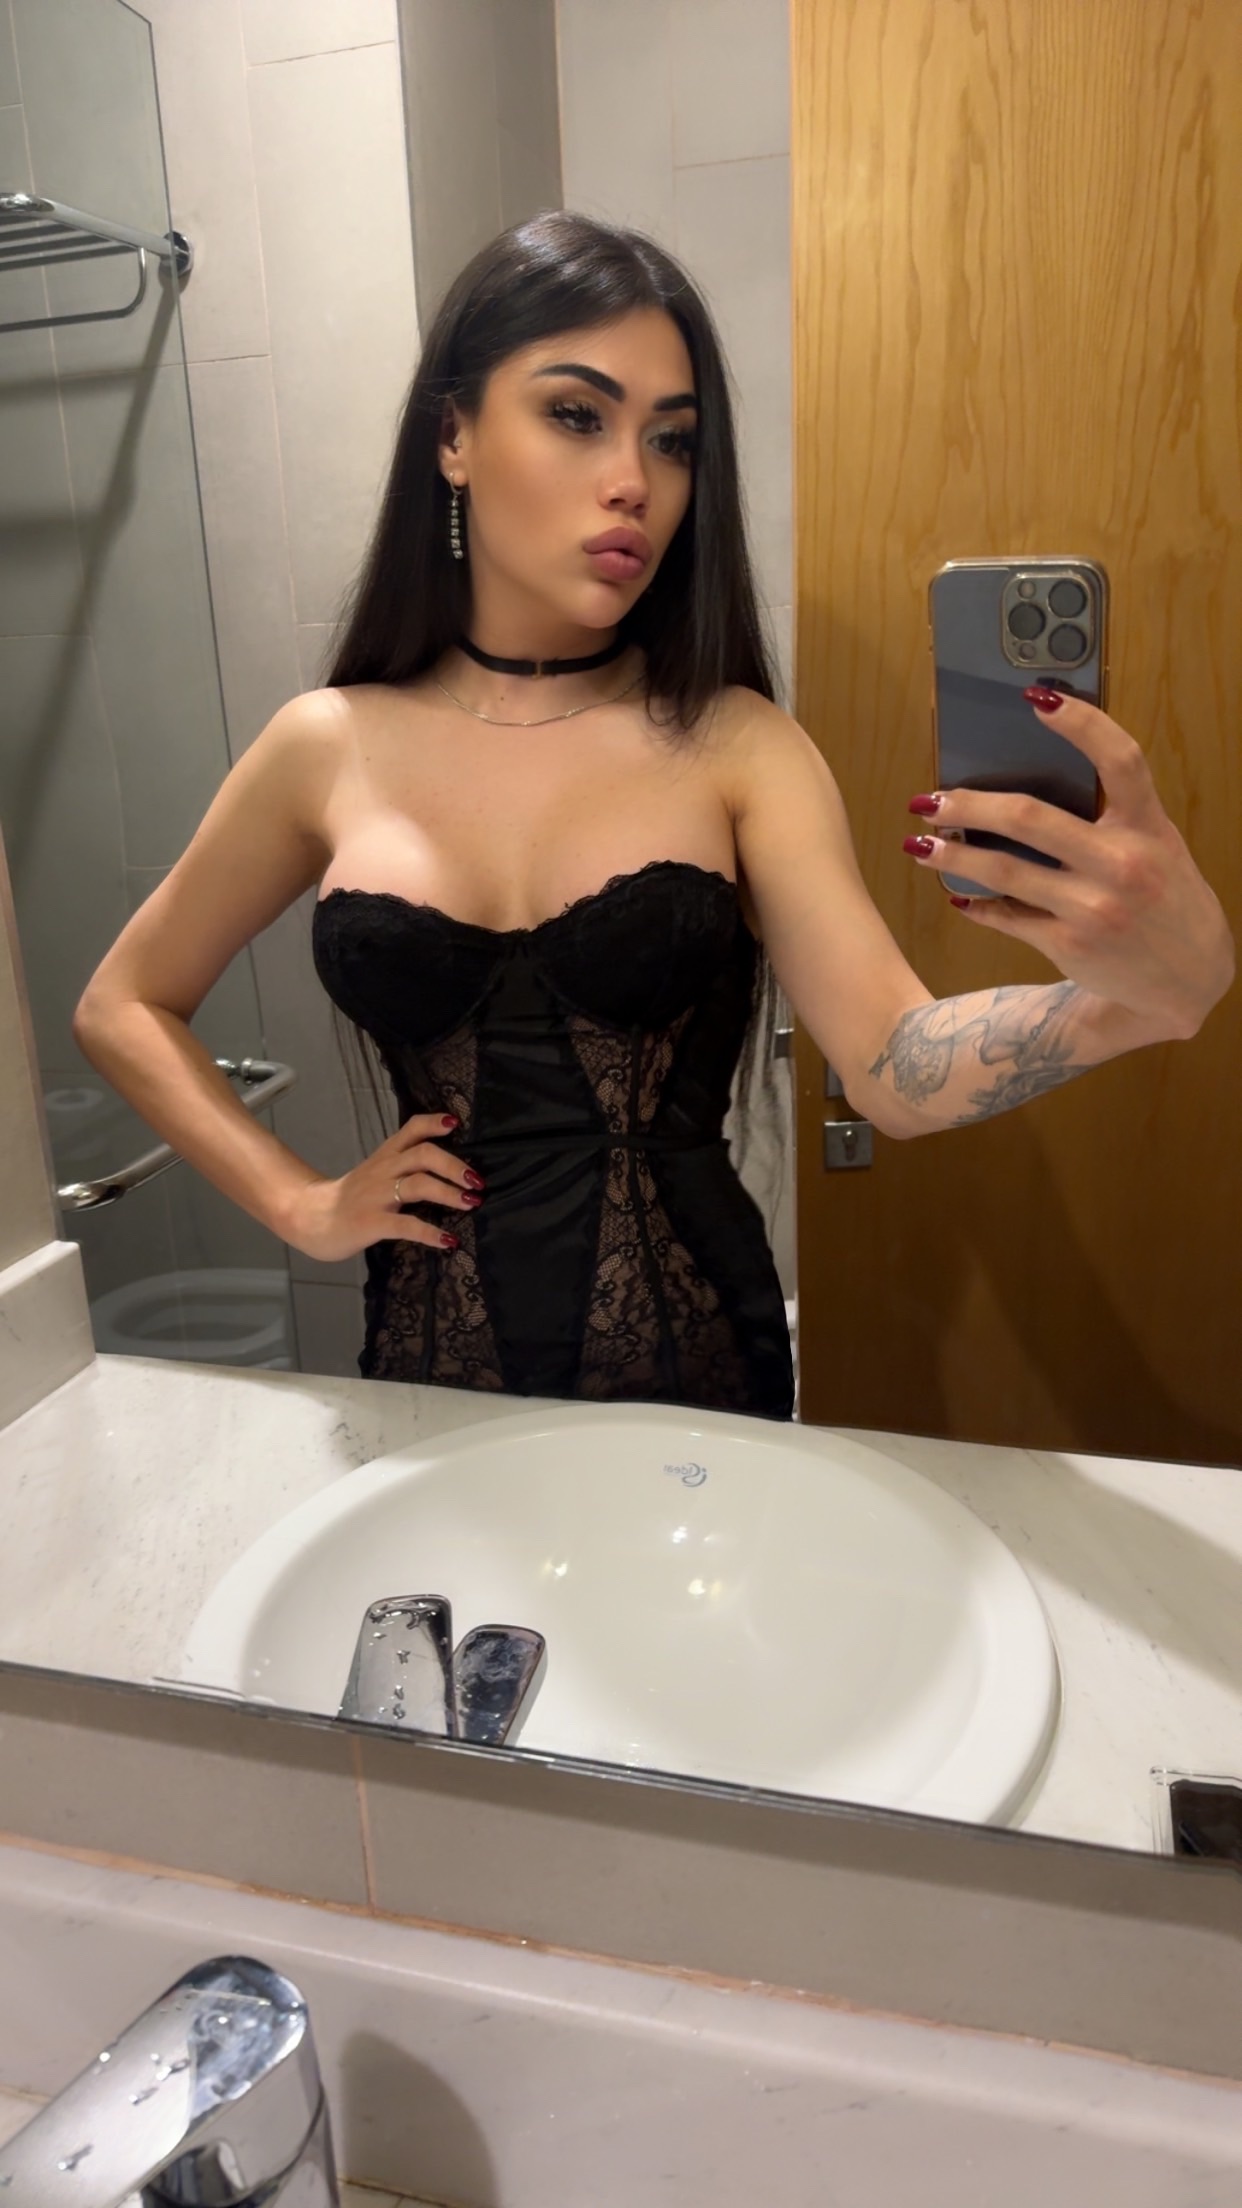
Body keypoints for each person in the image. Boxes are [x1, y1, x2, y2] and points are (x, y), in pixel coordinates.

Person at [73, 212, 1234, 1421]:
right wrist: (300, 1204)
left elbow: (893, 1067)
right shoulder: (325, 744)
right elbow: (123, 1004)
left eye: (672, 440)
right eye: (578, 415)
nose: (634, 480)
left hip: (696, 1380)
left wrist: (1136, 1003)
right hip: (426, 1380)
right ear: (454, 434)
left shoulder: (736, 743)